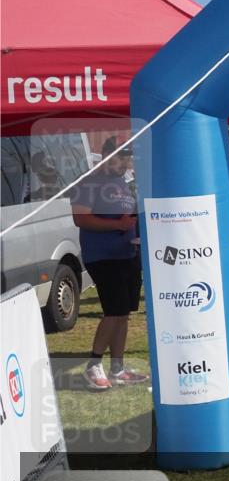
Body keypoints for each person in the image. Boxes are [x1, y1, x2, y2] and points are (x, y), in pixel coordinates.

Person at [69, 138, 148, 391]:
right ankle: (93, 364)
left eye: (127, 158)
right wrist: (117, 225)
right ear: (104, 154)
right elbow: (80, 218)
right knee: (114, 312)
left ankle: (118, 367)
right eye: (119, 157)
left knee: (123, 314)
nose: (125, 163)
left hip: (128, 253)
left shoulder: (123, 184)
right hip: (103, 257)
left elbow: (128, 215)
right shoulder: (88, 182)